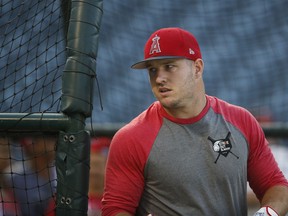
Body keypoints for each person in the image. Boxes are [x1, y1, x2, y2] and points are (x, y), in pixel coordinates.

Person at [101, 27, 288, 215]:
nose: (159, 78)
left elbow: (275, 185)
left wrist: (264, 214)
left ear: (197, 68)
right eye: (152, 70)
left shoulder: (241, 121)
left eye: (169, 66)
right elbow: (116, 209)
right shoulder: (131, 138)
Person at [88, 137, 111, 216]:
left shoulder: (119, 202)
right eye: (91, 165)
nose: (94, 171)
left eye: (98, 165)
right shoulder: (69, 199)